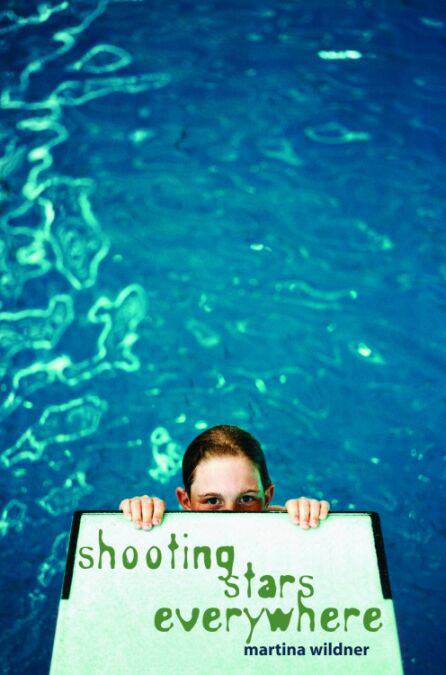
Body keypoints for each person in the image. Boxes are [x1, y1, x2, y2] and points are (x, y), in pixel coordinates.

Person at [119, 424, 330, 530]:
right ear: (186, 501)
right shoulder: (170, 531)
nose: (231, 516)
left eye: (246, 499)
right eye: (212, 501)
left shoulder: (281, 525)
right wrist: (141, 512)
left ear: (267, 498)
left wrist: (306, 516)